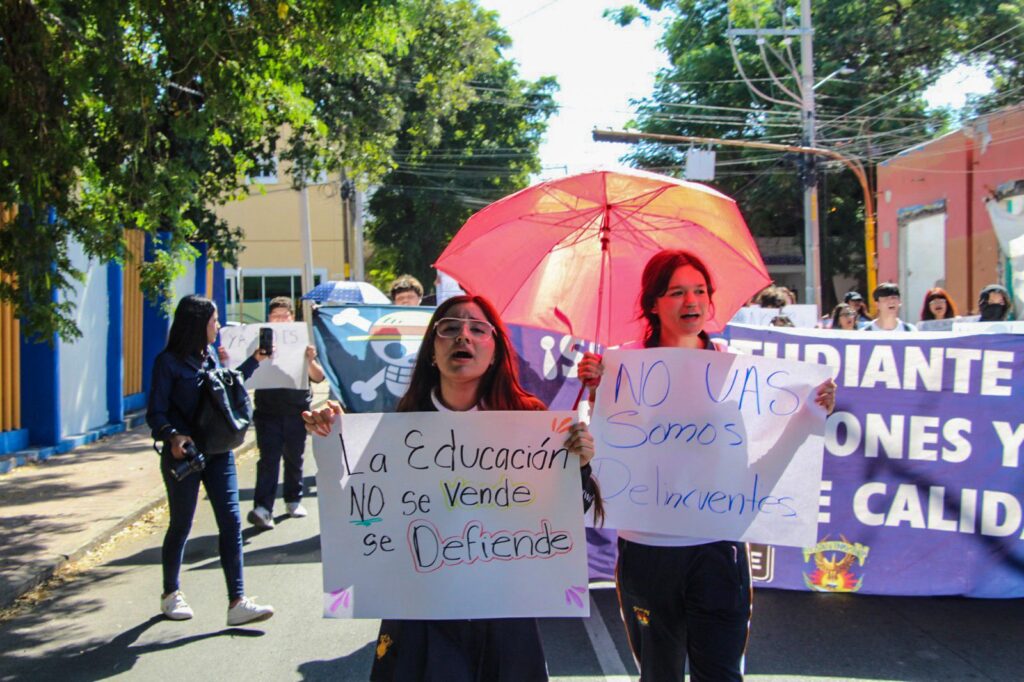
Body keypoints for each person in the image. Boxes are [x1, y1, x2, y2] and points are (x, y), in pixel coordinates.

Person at [303, 294, 601, 681]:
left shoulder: (531, 422)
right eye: (450, 328)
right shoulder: (401, 426)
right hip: (421, 616)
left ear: (495, 352)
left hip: (505, 616)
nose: (464, 336)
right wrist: (333, 438)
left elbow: (569, 515)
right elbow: (362, 514)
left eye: (478, 329)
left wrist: (579, 464)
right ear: (432, 350)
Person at [577, 250, 836, 682]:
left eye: (699, 290)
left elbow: (769, 439)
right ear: (653, 303)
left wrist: (815, 407)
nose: (690, 300)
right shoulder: (619, 365)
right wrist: (592, 393)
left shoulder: (737, 364)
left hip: (718, 550)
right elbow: (597, 442)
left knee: (720, 675)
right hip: (646, 552)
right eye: (676, 291)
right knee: (658, 675)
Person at [147, 295, 275, 625]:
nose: (217, 327)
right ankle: (171, 593)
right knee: (181, 524)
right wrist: (172, 435)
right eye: (214, 321)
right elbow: (155, 412)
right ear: (198, 323)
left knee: (231, 523)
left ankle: (237, 601)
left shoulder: (209, 359)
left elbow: (225, 390)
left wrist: (253, 361)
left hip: (219, 453)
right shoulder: (168, 363)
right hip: (185, 457)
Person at [247, 296, 326, 531]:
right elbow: (243, 370)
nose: (280, 320)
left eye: (285, 315)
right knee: (268, 460)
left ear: (292, 317)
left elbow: (318, 376)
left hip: (296, 410)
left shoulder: (303, 343)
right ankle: (263, 508)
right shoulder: (258, 344)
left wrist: (309, 360)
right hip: (267, 411)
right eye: (275, 316)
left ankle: (293, 499)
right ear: (268, 319)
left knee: (295, 457)